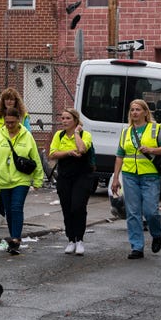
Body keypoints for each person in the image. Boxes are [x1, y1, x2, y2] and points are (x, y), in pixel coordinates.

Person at [0, 107, 44, 254]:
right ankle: (13, 237)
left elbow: (35, 159)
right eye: (7, 122)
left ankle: (15, 239)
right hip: (3, 180)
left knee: (16, 207)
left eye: (12, 122)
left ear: (18, 121)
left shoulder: (27, 136)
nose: (9, 125)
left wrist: (38, 180)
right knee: (8, 210)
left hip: (21, 179)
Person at [111, 99, 161, 259]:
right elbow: (119, 156)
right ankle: (137, 246)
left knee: (150, 211)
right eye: (132, 110)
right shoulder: (125, 132)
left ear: (145, 112)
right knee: (133, 212)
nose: (134, 112)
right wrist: (116, 178)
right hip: (130, 176)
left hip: (150, 175)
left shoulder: (155, 129)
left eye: (137, 109)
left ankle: (156, 233)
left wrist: (151, 149)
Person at [49, 108, 94, 255]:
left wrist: (76, 133)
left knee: (78, 207)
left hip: (82, 175)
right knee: (67, 208)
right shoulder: (59, 135)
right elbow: (52, 153)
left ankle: (79, 239)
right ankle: (71, 239)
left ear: (75, 120)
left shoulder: (84, 134)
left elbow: (82, 149)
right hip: (65, 176)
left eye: (68, 118)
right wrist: (68, 152)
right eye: (62, 118)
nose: (64, 121)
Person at [0, 88, 31, 227]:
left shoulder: (23, 116)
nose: (9, 102)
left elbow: (28, 134)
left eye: (12, 99)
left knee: (14, 185)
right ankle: (1, 214)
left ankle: (12, 212)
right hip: (0, 153)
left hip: (15, 155)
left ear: (16, 101)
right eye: (7, 99)